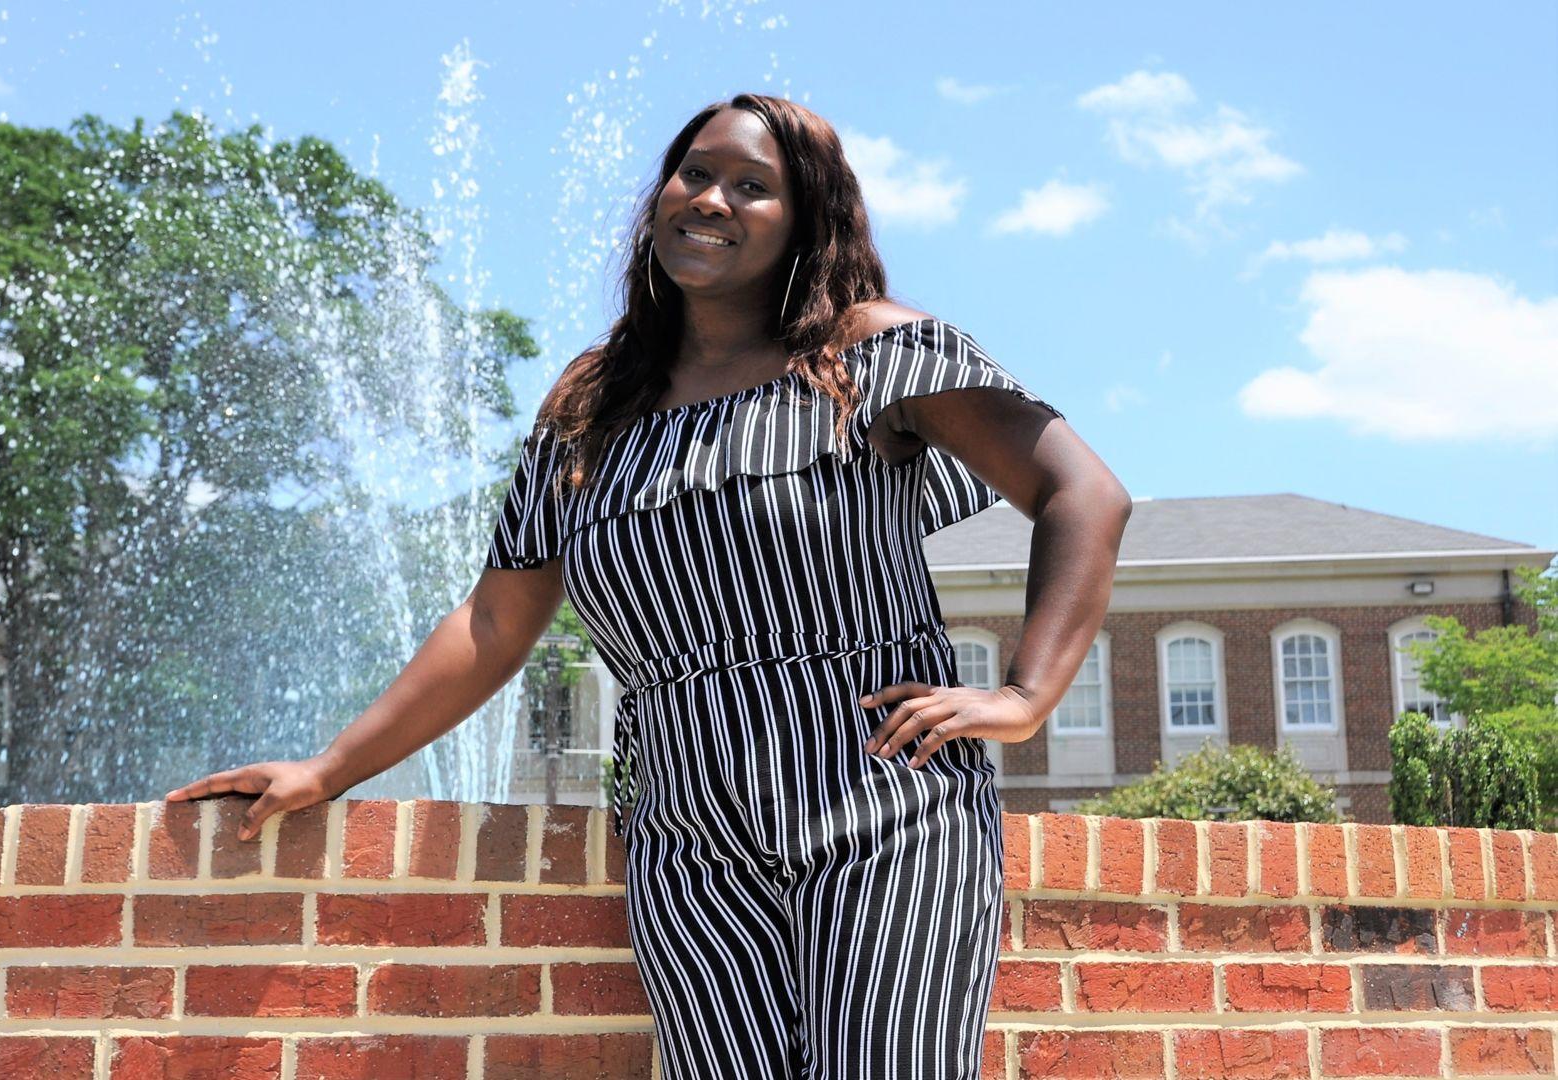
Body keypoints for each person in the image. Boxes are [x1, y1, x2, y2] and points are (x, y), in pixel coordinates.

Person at [164, 93, 1131, 1079]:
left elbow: (1083, 495)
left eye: (754, 187)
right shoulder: (593, 403)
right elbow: (497, 621)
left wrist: (1022, 697)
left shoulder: (868, 352)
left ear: (808, 221)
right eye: (696, 173)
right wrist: (331, 770)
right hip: (687, 836)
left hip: (886, 808)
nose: (712, 200)